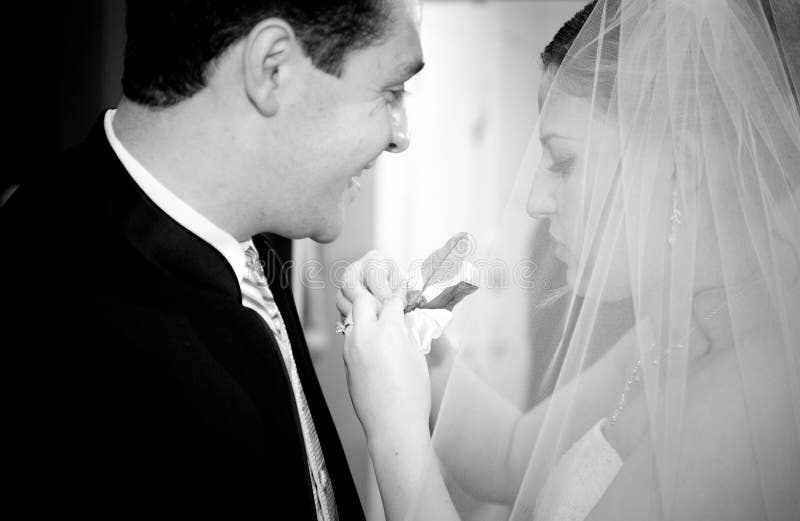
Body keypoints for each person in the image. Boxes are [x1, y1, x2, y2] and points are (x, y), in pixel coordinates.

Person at [338, 0, 800, 520]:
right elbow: (512, 456)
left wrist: (394, 434)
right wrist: (413, 330)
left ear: (680, 171)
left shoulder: (753, 405)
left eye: (562, 160)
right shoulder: (681, 331)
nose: (535, 200)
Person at [1, 0, 423, 513]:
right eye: (392, 89)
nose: (401, 136)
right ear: (273, 69)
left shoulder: (245, 231)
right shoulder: (55, 325)